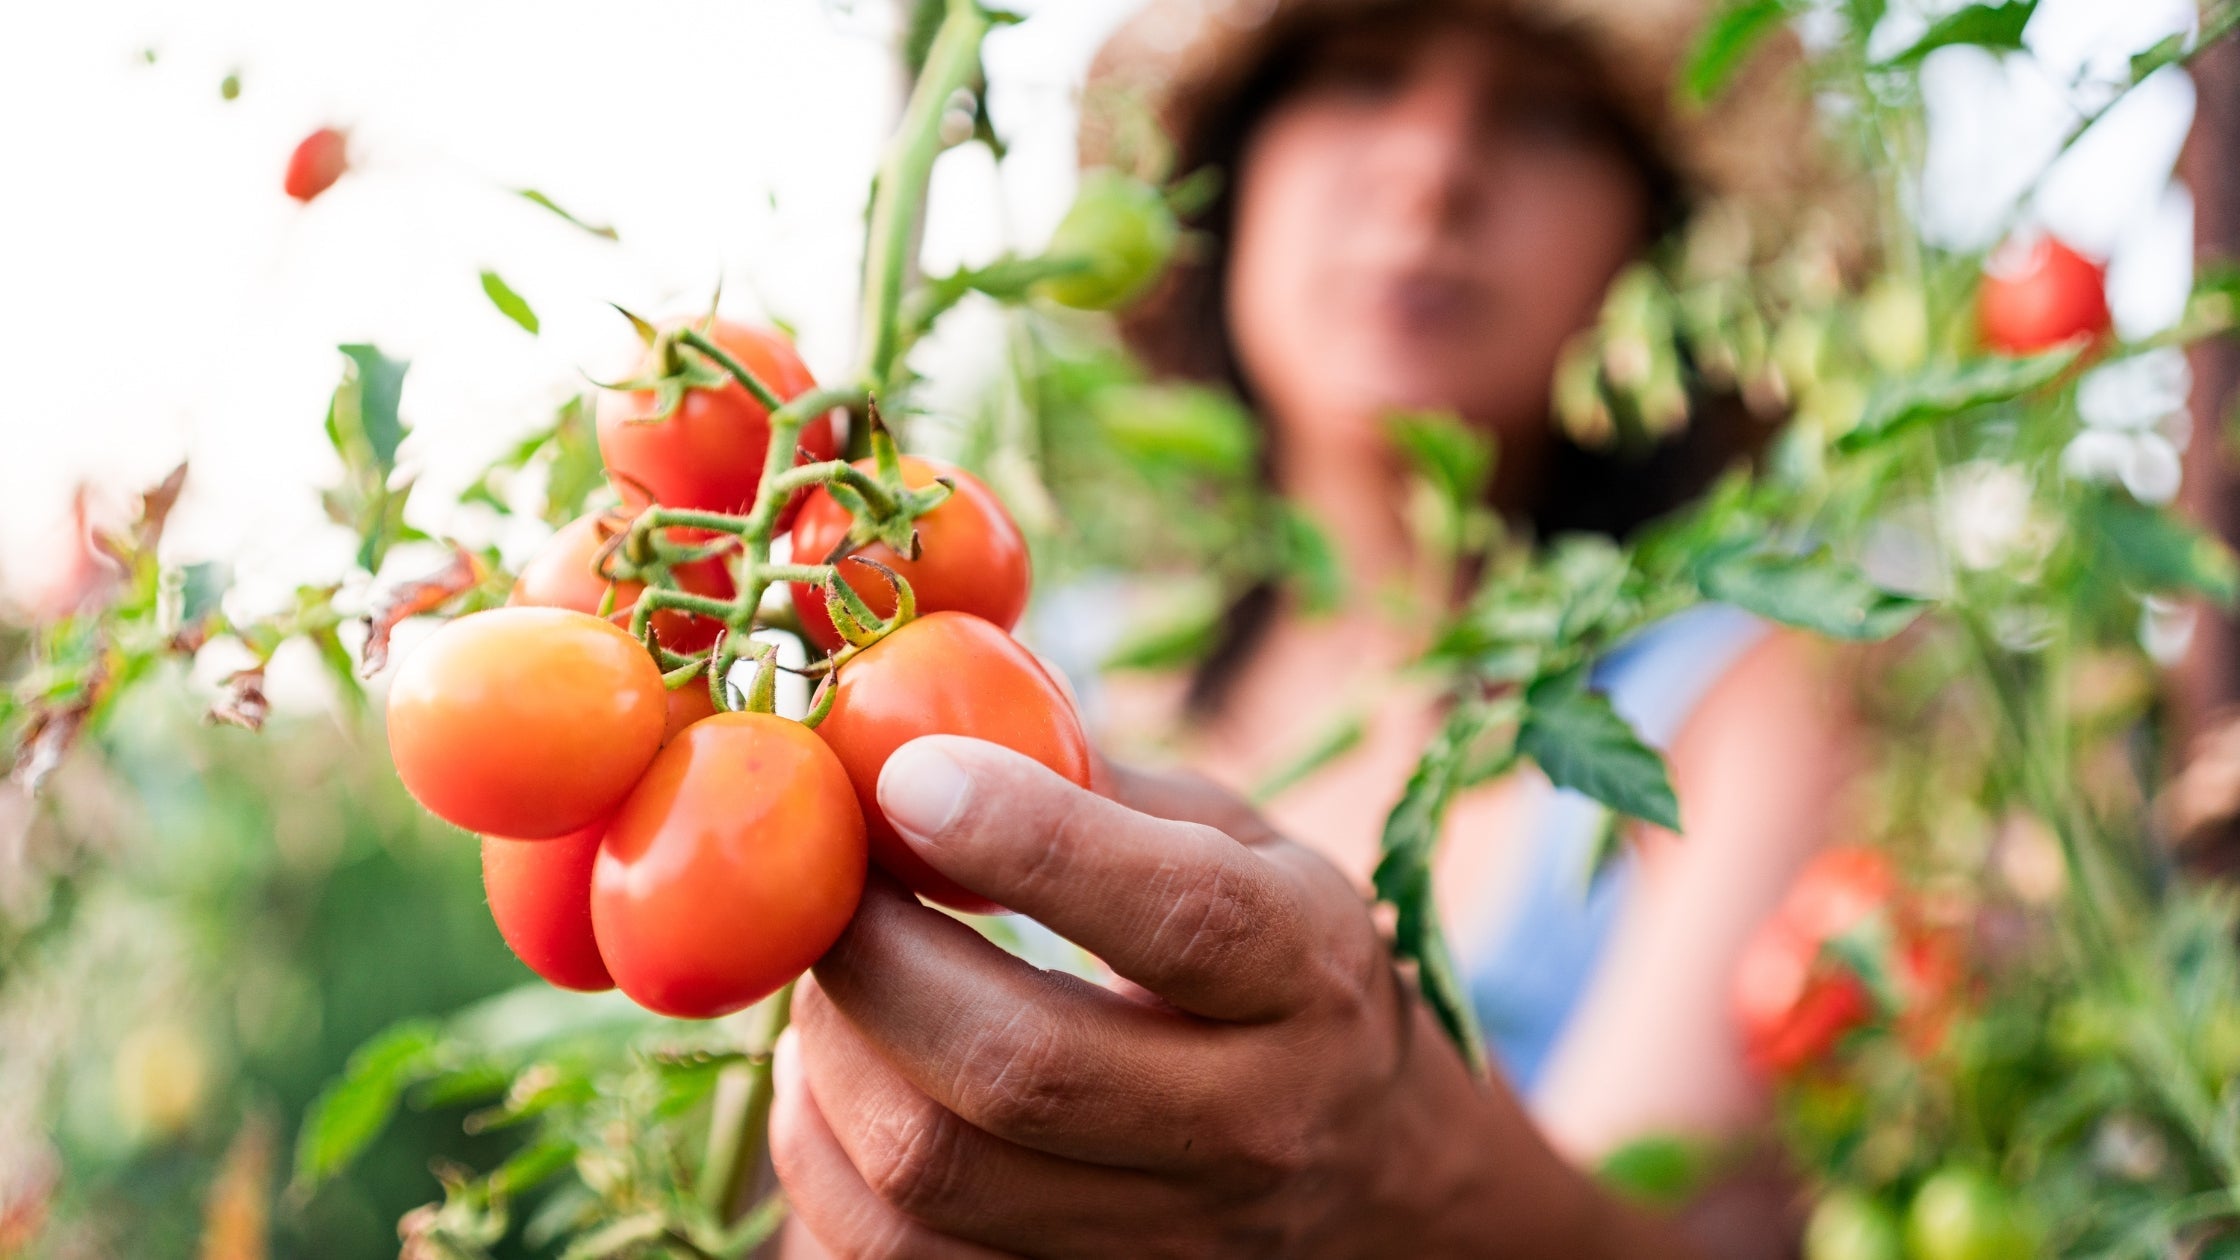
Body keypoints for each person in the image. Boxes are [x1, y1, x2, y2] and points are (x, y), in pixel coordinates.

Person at [769, 0, 1855, 1254]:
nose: (1434, 170)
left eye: (1546, 116)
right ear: (1236, 171)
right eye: (1358, 76)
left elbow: (1704, 1233)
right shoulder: (1017, 656)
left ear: (1656, 240)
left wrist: (1419, 1178)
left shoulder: (1751, 692)